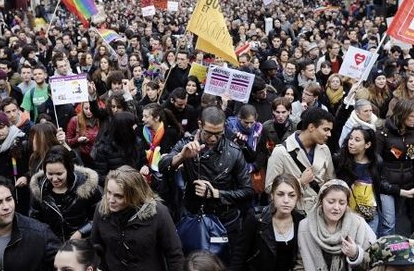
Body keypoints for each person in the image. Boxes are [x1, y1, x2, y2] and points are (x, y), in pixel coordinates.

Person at [159, 106, 253, 250]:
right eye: (208, 133)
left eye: (218, 133)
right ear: (200, 125)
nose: (213, 138)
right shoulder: (187, 144)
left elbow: (247, 191)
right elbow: (163, 166)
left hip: (224, 220)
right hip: (193, 216)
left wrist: (216, 194)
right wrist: (182, 157)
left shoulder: (233, 152)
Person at [89, 165, 184, 271]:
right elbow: (95, 245)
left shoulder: (158, 213)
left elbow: (174, 254)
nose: (110, 200)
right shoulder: (101, 209)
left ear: (134, 195)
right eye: (108, 192)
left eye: (118, 196)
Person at [265, 107, 335, 213]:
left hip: (321, 212)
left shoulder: (324, 149)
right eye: (326, 129)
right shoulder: (281, 152)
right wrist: (300, 182)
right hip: (295, 213)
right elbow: (270, 188)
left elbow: (331, 180)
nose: (329, 134)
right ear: (311, 127)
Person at [230, 173, 305, 271]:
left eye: (292, 195)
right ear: (272, 195)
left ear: (297, 197)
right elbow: (239, 256)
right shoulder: (256, 218)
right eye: (280, 194)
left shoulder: (301, 221)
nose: (286, 200)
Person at [297, 179, 376, 271]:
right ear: (321, 201)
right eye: (331, 202)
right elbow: (300, 262)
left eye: (342, 203)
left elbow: (374, 261)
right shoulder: (306, 226)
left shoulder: (359, 224)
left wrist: (356, 254)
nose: (336, 207)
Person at [375, 99, 414, 236]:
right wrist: (381, 182)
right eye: (412, 116)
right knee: (389, 222)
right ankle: (384, 250)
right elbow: (376, 160)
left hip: (406, 184)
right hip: (387, 184)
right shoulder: (383, 133)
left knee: (395, 218)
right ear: (402, 115)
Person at [30, 146, 101, 241]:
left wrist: (81, 232)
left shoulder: (86, 185)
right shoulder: (39, 189)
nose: (54, 179)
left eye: (59, 174)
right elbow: (34, 220)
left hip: (82, 245)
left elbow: (100, 216)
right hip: (52, 245)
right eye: (50, 174)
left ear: (69, 169)